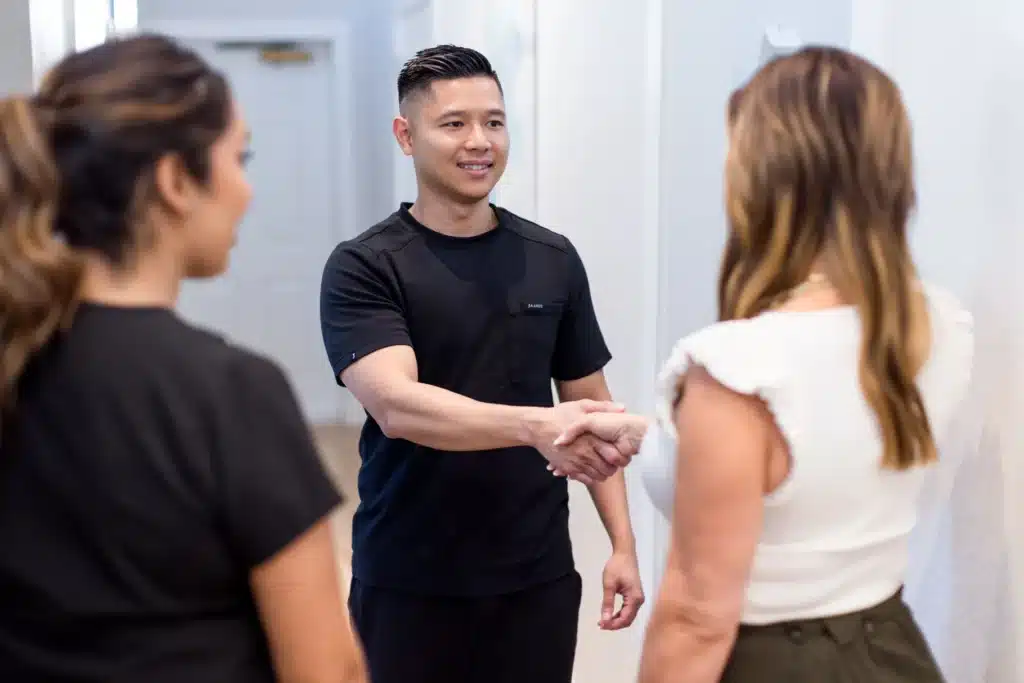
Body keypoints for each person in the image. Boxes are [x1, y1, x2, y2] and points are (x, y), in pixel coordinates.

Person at [0, 35, 366, 683]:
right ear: (174, 181)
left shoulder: (16, 358)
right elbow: (326, 672)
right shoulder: (231, 394)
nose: (246, 190)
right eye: (238, 159)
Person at [600, 45, 971, 682]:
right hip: (890, 650)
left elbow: (697, 617)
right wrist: (657, 435)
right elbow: (829, 448)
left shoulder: (739, 370)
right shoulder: (935, 325)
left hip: (771, 662)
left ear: (765, 182)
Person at [319, 44, 649, 683]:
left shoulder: (551, 258)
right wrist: (535, 425)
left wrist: (624, 545)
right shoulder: (366, 265)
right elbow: (396, 406)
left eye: (494, 122)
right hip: (408, 576)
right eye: (454, 123)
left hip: (535, 576)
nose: (479, 141)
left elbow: (592, 411)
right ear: (406, 136)